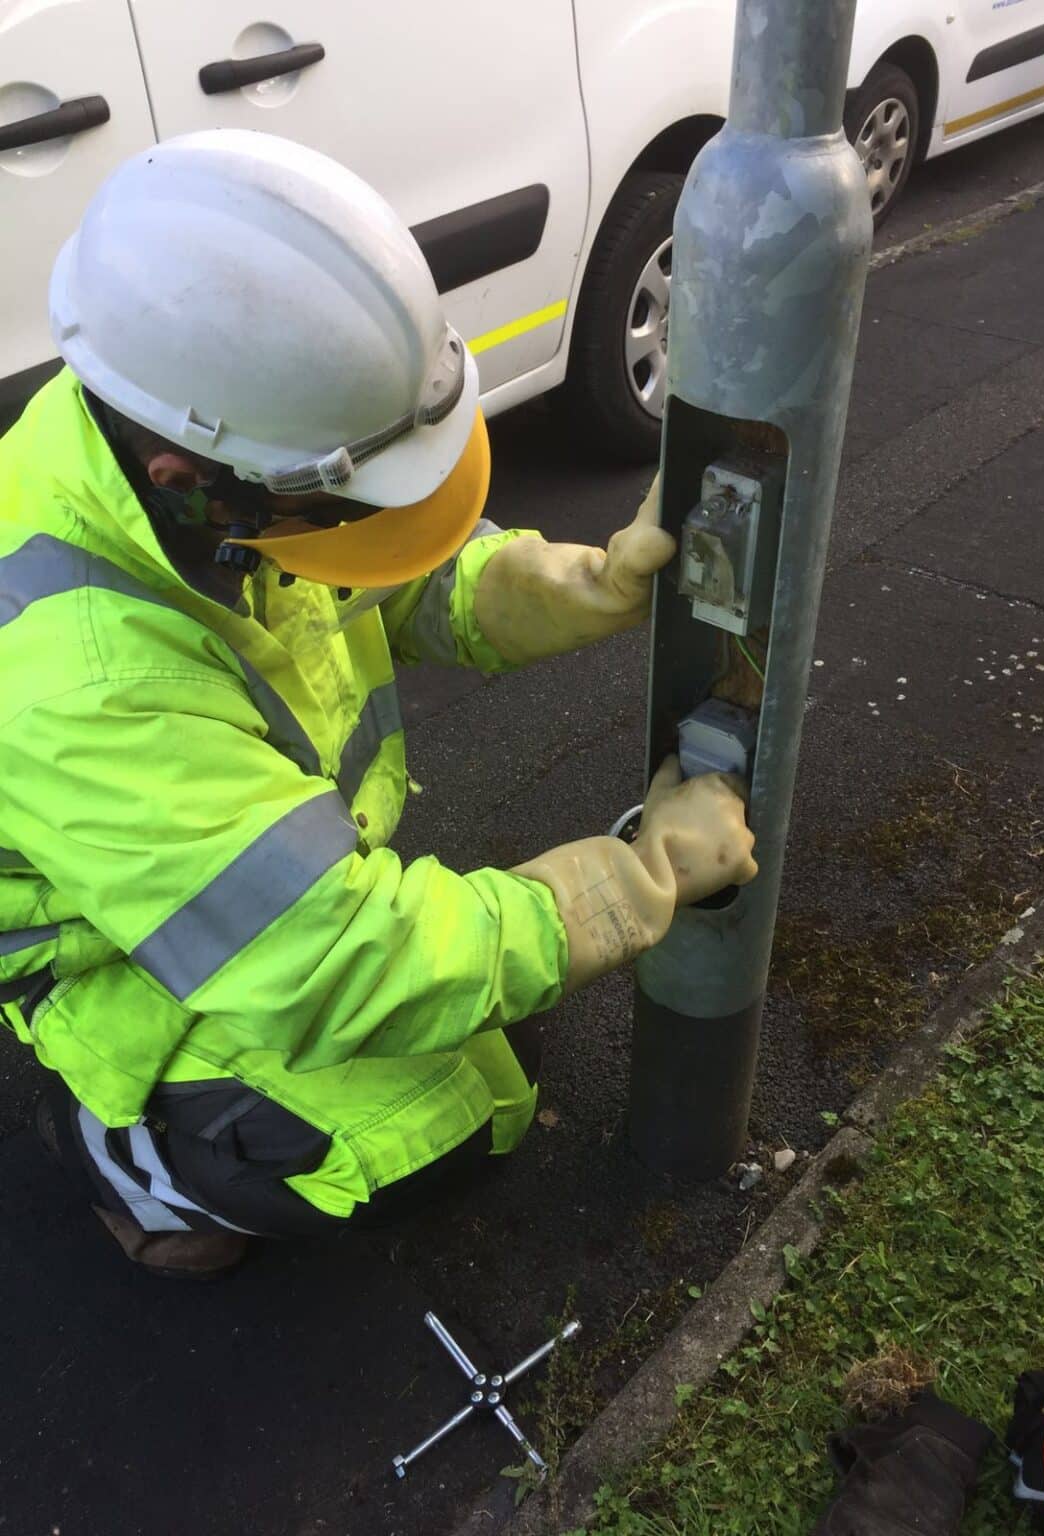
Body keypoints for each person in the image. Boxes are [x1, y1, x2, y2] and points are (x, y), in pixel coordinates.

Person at [0, 130, 756, 1277]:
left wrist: (572, 585)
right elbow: (336, 960)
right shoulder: (86, 682)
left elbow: (380, 568)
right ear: (187, 483)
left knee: (488, 1035)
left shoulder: (181, 435)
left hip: (223, 888)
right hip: (126, 966)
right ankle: (120, 1153)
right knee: (440, 1132)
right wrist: (631, 883)